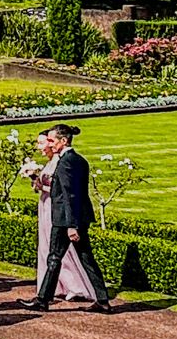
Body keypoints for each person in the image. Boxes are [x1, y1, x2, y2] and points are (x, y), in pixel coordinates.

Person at [20, 124, 112, 313]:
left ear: (63, 141)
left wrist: (71, 225)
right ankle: (102, 300)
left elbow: (70, 196)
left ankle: (42, 300)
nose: (49, 144)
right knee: (86, 258)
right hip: (77, 217)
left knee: (54, 258)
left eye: (52, 140)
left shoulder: (65, 162)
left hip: (65, 219)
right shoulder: (79, 160)